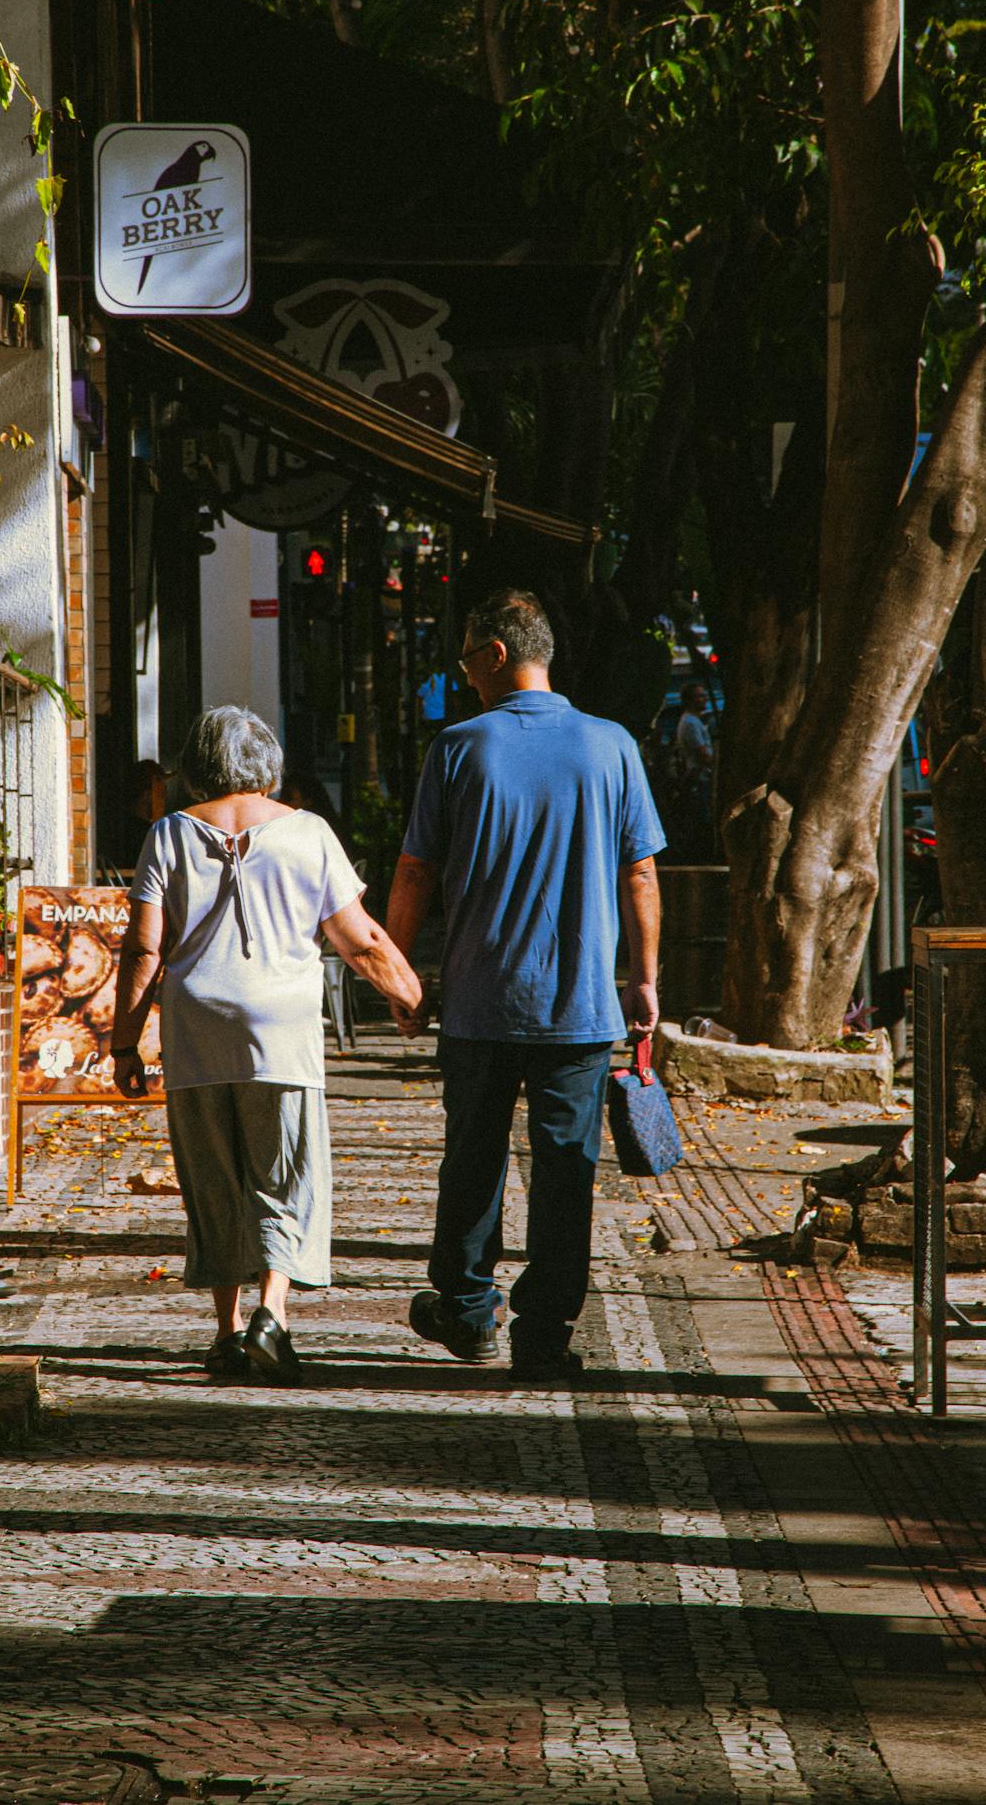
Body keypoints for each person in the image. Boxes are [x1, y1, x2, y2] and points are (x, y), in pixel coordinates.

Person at [386, 589, 665, 1381]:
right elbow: (640, 872)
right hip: (579, 1010)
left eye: (469, 658)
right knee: (565, 1171)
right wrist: (642, 980)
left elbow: (414, 870)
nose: (464, 674)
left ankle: (470, 1313)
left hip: (478, 1003)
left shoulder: (458, 749)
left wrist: (399, 976)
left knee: (471, 1160)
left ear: (499, 654)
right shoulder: (613, 747)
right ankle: (542, 1334)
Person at [111, 706, 421, 1386]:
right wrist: (407, 990)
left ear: (197, 763)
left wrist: (125, 1044)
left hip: (195, 1029)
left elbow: (142, 948)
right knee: (284, 1176)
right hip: (280, 1032)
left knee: (214, 1178)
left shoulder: (169, 832)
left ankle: (225, 1333)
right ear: (267, 764)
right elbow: (358, 936)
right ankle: (271, 1315)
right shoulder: (309, 832)